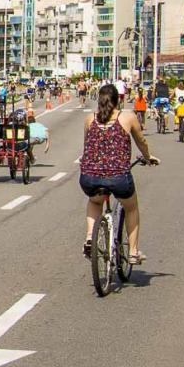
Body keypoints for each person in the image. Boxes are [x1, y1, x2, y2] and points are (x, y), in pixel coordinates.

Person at [79, 84, 158, 265]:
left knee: (94, 200)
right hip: (118, 177)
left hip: (90, 176)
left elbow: (88, 146)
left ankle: (90, 237)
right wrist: (148, 157)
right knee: (131, 207)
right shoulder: (127, 117)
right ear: (118, 100)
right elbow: (141, 142)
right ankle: (132, 252)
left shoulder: (89, 119)